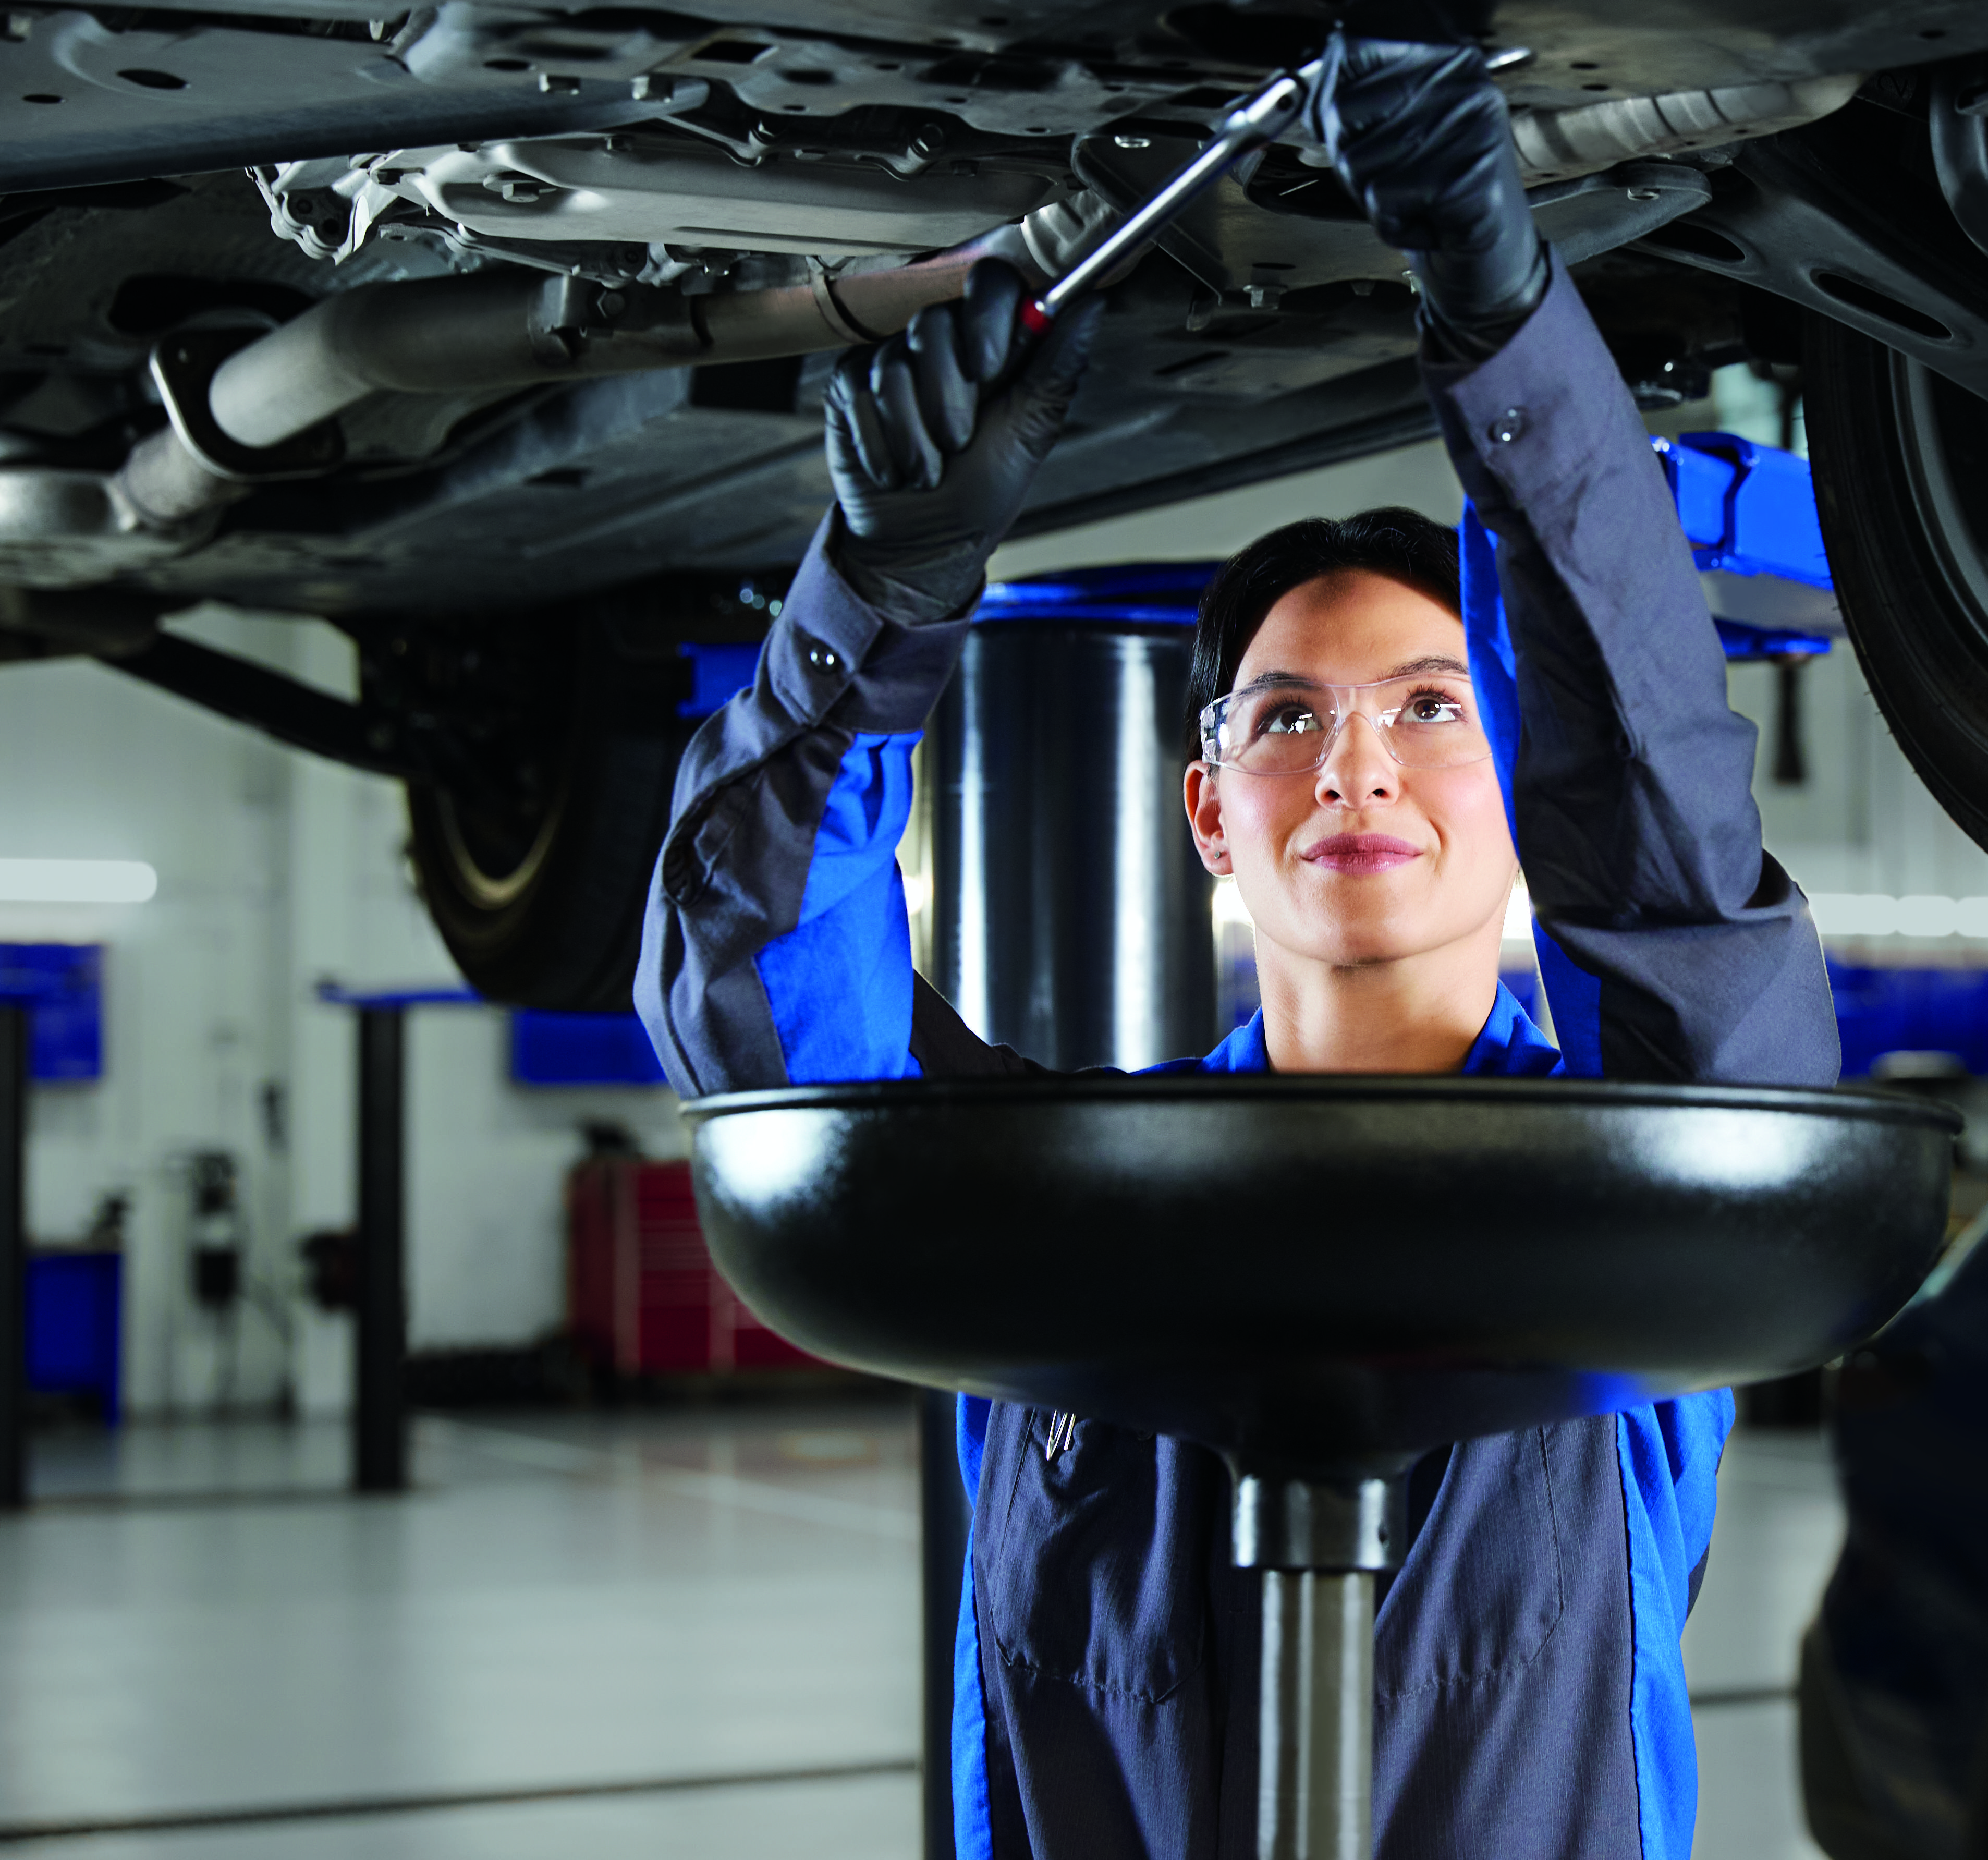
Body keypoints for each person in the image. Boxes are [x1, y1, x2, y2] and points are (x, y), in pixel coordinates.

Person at [637, 34, 1839, 1860]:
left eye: (1431, 706)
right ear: (1211, 813)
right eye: (1282, 719)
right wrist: (872, 590)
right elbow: (771, 1048)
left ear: (1523, 779)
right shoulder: (1063, 1225)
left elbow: (1673, 879)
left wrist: (1507, 319)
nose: (1354, 760)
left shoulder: (1630, 1210)